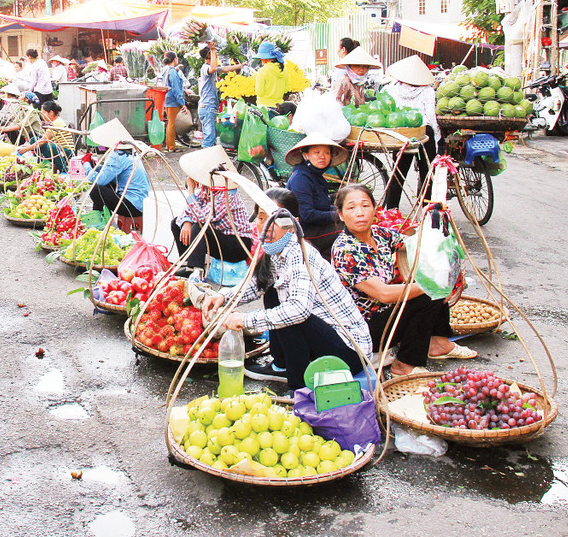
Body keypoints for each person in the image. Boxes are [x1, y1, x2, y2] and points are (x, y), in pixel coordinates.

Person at [202, 187, 372, 392]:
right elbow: (257, 285)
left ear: (292, 225)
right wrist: (224, 296)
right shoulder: (277, 251)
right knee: (272, 289)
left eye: (274, 219)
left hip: (350, 351)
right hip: (323, 337)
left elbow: (298, 311)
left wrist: (244, 320)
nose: (265, 226)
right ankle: (281, 364)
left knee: (292, 313)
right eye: (262, 218)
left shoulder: (301, 255)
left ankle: (298, 387)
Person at [331, 184, 478, 376]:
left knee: (433, 279)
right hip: (364, 327)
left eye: (365, 206)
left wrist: (438, 232)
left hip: (385, 315)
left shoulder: (379, 234)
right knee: (426, 292)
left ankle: (438, 342)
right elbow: (383, 294)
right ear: (341, 215)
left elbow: (415, 246)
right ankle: (405, 364)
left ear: (374, 209)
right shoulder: (346, 250)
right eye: (351, 208)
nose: (360, 213)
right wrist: (430, 285)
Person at [171, 146, 254, 277]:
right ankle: (188, 264)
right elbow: (188, 212)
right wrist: (186, 221)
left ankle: (196, 270)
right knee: (176, 223)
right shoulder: (207, 188)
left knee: (199, 227)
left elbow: (203, 217)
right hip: (220, 236)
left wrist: (191, 191)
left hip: (237, 244)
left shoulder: (228, 193)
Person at [381, 55, 441, 209]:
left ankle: (392, 209)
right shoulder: (427, 91)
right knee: (427, 173)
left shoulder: (391, 89)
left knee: (398, 173)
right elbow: (431, 118)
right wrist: (437, 138)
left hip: (402, 132)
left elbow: (387, 113)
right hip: (423, 132)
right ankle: (427, 211)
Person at [284, 133, 350, 258]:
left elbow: (323, 206)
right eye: (317, 152)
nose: (322, 157)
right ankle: (323, 262)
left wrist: (344, 210)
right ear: (306, 155)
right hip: (303, 231)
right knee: (349, 231)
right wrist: (339, 215)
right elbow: (307, 215)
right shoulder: (301, 178)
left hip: (316, 226)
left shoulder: (316, 176)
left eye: (326, 153)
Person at [85, 119, 150, 219]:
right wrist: (96, 167)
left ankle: (103, 220)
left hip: (133, 206)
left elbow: (100, 180)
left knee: (96, 190)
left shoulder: (117, 155)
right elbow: (108, 172)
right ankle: (100, 219)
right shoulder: (130, 152)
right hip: (142, 202)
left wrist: (86, 165)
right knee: (107, 184)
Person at [199, 42, 244, 148]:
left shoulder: (211, 67)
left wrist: (240, 66)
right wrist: (213, 50)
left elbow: (224, 69)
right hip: (207, 106)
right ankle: (205, 161)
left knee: (212, 137)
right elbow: (214, 68)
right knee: (209, 138)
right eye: (214, 54)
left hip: (210, 106)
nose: (217, 55)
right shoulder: (205, 67)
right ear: (209, 55)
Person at [18, 100, 74, 173]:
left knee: (52, 146)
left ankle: (63, 169)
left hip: (66, 152)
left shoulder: (56, 123)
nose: (42, 115)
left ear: (51, 113)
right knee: (34, 140)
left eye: (43, 113)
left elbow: (43, 141)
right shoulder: (52, 122)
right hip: (59, 149)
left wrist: (25, 149)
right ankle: (40, 164)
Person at [162, 51, 186, 153]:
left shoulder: (164, 70)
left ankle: (169, 145)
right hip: (173, 101)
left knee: (169, 123)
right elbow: (176, 89)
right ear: (175, 59)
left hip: (167, 99)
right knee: (172, 123)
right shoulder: (172, 72)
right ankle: (171, 146)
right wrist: (182, 103)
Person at [254, 42, 288, 108]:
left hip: (264, 108)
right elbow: (285, 90)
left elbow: (259, 92)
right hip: (279, 107)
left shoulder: (263, 71)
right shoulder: (284, 69)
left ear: (264, 59)